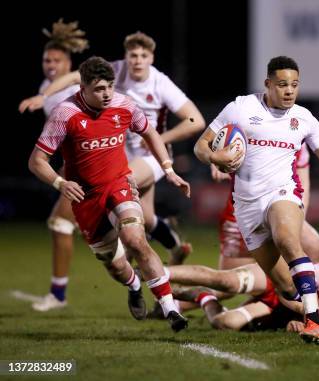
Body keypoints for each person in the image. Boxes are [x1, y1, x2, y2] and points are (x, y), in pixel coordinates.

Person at [19, 32, 205, 311]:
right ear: (125, 56)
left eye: (143, 56)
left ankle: (144, 283)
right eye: (133, 55)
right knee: (146, 217)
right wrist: (43, 95)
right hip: (117, 154)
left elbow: (196, 120)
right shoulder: (113, 71)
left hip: (146, 158)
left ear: (152, 58)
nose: (137, 61)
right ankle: (171, 244)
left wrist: (159, 143)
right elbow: (74, 79)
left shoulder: (160, 82)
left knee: (116, 206)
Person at [194, 56, 319, 344]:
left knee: (288, 241)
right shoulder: (241, 108)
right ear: (267, 84)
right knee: (284, 286)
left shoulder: (304, 118)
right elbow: (201, 146)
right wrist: (215, 156)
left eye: (294, 85)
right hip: (246, 206)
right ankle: (308, 309)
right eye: (282, 85)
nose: (290, 91)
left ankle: (314, 322)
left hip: (283, 193)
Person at [14, 19, 88, 312]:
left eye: (57, 59)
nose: (51, 64)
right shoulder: (45, 88)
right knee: (87, 231)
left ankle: (58, 294)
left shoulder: (76, 84)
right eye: (47, 59)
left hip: (91, 164)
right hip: (75, 165)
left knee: (61, 224)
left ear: (69, 62)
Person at [162, 260, 319, 333]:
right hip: (276, 281)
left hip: (276, 307)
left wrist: (300, 328)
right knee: (225, 281)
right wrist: (302, 310)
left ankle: (203, 297)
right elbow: (284, 287)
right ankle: (159, 273)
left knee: (226, 323)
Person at [211, 143, 319, 270]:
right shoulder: (250, 128)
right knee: (227, 283)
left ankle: (297, 288)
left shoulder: (299, 139)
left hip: (281, 208)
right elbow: (220, 140)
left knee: (312, 244)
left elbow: (303, 185)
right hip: (246, 213)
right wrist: (217, 158)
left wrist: (296, 220)